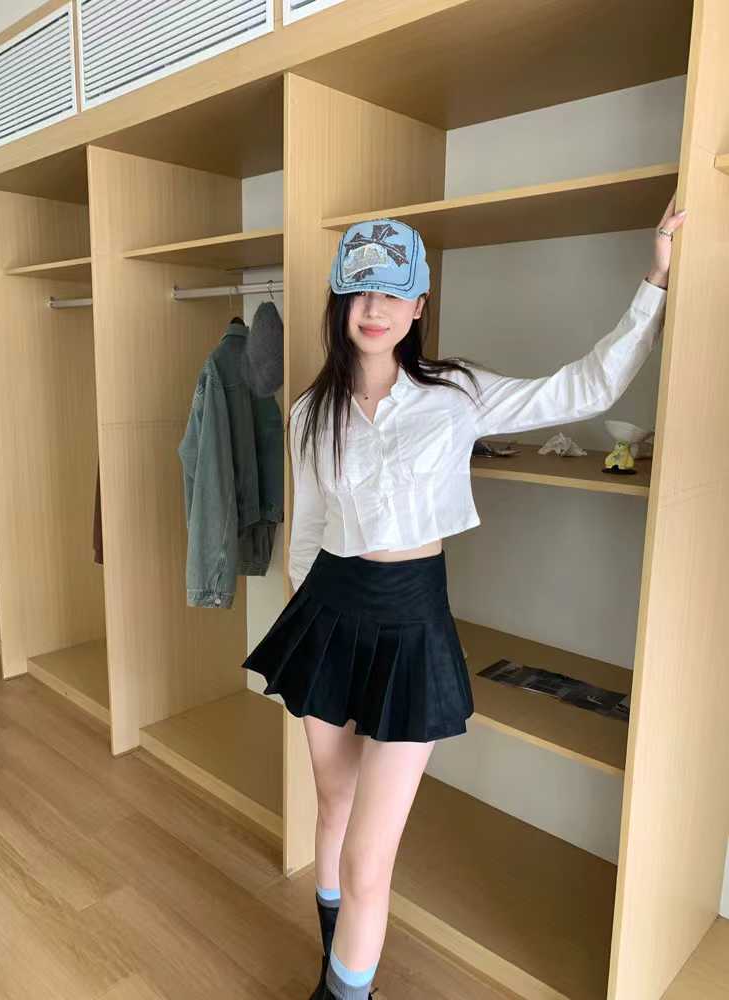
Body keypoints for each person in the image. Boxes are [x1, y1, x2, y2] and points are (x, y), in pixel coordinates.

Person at [241, 193, 687, 1000]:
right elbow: (305, 534)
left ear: (418, 305)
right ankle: (332, 964)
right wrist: (309, 611)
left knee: (370, 858)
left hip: (412, 623)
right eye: (360, 291)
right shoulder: (310, 411)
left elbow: (584, 389)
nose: (374, 309)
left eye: (393, 293)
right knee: (333, 806)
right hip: (329, 614)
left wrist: (654, 280)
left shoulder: (457, 393)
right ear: (341, 300)